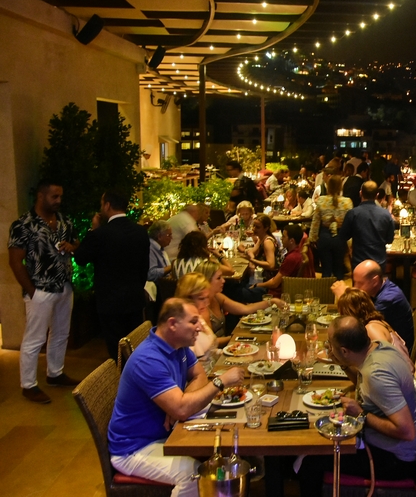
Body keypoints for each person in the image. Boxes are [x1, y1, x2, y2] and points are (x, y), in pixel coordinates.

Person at [108, 298, 246, 496]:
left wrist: (180, 403)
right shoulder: (148, 359)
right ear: (172, 324)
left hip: (165, 434)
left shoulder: (177, 344)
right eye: (193, 321)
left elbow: (199, 375)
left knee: (221, 451)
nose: (200, 327)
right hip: (134, 448)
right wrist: (220, 382)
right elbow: (182, 408)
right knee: (192, 474)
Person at [298, 316, 416, 497]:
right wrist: (342, 364)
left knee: (309, 462)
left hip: (397, 460)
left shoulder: (377, 375)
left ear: (344, 350)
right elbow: (363, 383)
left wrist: (362, 413)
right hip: (395, 448)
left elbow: (407, 432)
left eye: (330, 345)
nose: (328, 349)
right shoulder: (379, 347)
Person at [8, 180, 80, 404]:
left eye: (60, 197)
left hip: (64, 286)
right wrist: (31, 291)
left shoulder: (64, 221)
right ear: (41, 196)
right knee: (35, 338)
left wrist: (72, 246)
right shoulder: (23, 224)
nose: (58, 201)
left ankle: (55, 373)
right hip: (40, 289)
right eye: (54, 197)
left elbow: (76, 242)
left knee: (60, 333)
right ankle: (28, 385)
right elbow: (15, 261)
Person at [74, 190, 150, 358]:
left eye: (102, 204)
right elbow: (144, 266)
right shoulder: (140, 231)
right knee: (136, 345)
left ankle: (122, 380)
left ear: (107, 205)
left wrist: (93, 230)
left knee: (116, 347)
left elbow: (80, 258)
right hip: (134, 298)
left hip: (109, 301)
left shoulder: (100, 234)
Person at [332, 259, 415, 352]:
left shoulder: (388, 298)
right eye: (355, 282)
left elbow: (357, 324)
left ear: (374, 281)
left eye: (360, 283)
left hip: (397, 353)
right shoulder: (379, 289)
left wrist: (343, 298)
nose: (355, 287)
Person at [336, 287, 413, 371]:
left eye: (342, 315)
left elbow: (386, 363)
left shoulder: (371, 329)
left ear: (351, 313)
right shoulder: (378, 321)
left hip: (402, 381)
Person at [339, 181, 395, 273]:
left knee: (358, 287)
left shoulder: (353, 213)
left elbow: (343, 236)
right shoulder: (386, 214)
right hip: (379, 261)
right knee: (378, 287)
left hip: (359, 261)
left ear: (360, 193)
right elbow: (389, 239)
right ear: (377, 195)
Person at [309, 175, 353, 280]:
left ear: (328, 187)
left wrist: (312, 238)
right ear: (341, 187)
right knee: (339, 270)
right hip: (340, 237)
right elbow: (350, 223)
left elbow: (316, 221)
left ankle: (326, 294)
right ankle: (340, 294)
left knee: (326, 270)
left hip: (324, 236)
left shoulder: (321, 200)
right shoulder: (347, 202)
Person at [253, 223, 314, 297]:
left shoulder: (292, 258)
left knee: (242, 291)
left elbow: (274, 284)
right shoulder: (296, 252)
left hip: (276, 294)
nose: (281, 239)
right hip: (277, 288)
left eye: (284, 236)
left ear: (291, 241)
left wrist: (257, 285)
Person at [246, 213, 281, 279]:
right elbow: (252, 252)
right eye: (254, 226)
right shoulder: (261, 238)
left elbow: (271, 265)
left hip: (268, 279)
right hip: (262, 275)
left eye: (258, 227)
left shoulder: (267, 242)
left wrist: (252, 260)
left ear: (266, 228)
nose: (254, 229)